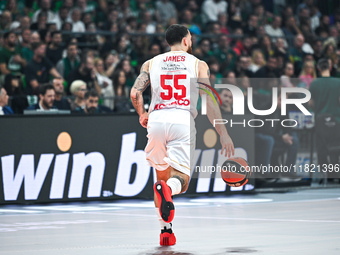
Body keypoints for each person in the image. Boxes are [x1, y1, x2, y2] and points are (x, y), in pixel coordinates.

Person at [130, 24, 234, 246]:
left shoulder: (151, 63)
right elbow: (209, 100)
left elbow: (135, 92)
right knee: (181, 181)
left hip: (157, 120)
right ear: (186, 41)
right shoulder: (198, 64)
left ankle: (165, 231)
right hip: (181, 119)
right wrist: (223, 133)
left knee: (160, 178)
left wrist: (142, 113)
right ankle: (170, 190)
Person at [309, 58, 340, 180]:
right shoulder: (338, 83)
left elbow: (311, 103)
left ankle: (325, 173)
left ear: (318, 69)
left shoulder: (314, 84)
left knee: (322, 147)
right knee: (336, 147)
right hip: (337, 120)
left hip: (320, 121)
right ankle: (335, 173)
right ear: (330, 67)